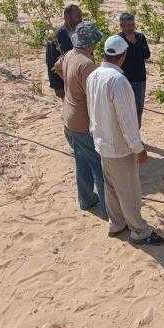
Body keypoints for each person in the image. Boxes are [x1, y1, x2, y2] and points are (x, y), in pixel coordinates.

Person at [86, 35, 164, 245]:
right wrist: (138, 148)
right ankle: (139, 231)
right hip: (119, 147)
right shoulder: (118, 81)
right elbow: (127, 121)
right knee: (129, 190)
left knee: (110, 186)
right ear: (123, 56)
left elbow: (91, 110)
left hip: (102, 143)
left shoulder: (93, 75)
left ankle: (117, 223)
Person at [54, 20, 106, 216]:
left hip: (68, 118)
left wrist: (71, 85)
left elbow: (57, 67)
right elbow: (94, 95)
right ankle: (109, 209)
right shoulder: (87, 65)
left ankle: (86, 200)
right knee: (98, 166)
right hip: (83, 122)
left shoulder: (69, 54)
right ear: (91, 43)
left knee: (81, 162)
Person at [118, 12, 151, 127]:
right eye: (128, 25)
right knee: (124, 110)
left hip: (140, 79)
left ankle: (136, 136)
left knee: (138, 109)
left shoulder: (140, 37)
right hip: (123, 80)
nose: (131, 28)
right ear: (121, 25)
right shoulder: (118, 39)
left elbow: (146, 54)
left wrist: (135, 43)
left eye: (132, 24)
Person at [46, 4, 82, 99]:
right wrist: (57, 86)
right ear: (67, 17)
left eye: (81, 16)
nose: (80, 19)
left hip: (81, 81)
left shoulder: (81, 32)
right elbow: (51, 62)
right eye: (77, 16)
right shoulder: (56, 37)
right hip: (64, 82)